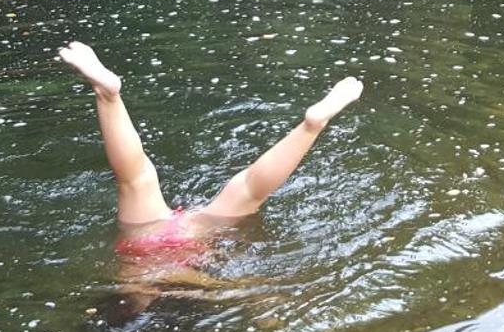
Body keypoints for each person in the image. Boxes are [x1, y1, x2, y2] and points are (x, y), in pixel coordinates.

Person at [58, 40, 364, 264]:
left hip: (151, 247)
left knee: (139, 179)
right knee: (140, 179)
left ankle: (107, 95)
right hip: (169, 237)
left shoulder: (140, 297)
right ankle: (311, 126)